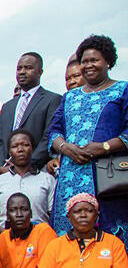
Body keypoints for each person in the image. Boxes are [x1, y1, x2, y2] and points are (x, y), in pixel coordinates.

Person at [48, 35, 128, 244]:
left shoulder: (122, 90)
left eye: (95, 60)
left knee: (110, 236)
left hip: (107, 177)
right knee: (68, 236)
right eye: (84, 61)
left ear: (108, 62)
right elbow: (54, 132)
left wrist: (103, 147)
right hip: (70, 177)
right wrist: (66, 148)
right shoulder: (70, 97)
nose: (88, 65)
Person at [0, 52, 62, 178]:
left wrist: (25, 167)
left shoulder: (52, 100)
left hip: (36, 172)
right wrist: (1, 167)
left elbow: (48, 137)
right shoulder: (8, 106)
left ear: (40, 72)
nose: (22, 72)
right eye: (19, 68)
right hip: (6, 174)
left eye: (28, 68)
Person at [0, 130, 55, 228]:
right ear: (9, 152)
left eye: (25, 145)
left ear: (32, 149)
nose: (20, 149)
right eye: (15, 146)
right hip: (7, 238)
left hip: (40, 239)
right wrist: (4, 236)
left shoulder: (47, 180)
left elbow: (54, 216)